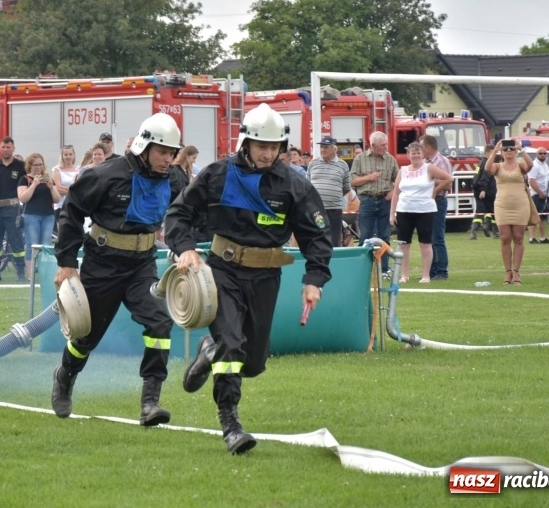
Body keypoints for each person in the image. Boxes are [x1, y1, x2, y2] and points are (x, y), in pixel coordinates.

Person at [164, 103, 333, 455]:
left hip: (266, 277)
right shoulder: (218, 174)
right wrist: (185, 248)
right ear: (246, 143)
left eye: (274, 147)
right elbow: (179, 213)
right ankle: (231, 422)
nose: (268, 152)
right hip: (222, 273)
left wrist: (314, 278)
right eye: (261, 145)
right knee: (232, 343)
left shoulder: (293, 184)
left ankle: (208, 350)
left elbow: (317, 235)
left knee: (253, 363)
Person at [51, 113, 181, 427]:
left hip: (142, 267)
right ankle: (65, 378)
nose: (167, 159)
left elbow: (186, 213)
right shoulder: (106, 174)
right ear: (144, 146)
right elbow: (71, 211)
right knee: (86, 338)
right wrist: (67, 264)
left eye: (171, 153)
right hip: (102, 265)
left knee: (160, 324)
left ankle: (150, 402)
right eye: (162, 152)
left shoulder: (176, 179)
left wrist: (185, 248)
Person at [389, 142, 453, 283]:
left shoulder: (428, 168)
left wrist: (435, 190)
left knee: (425, 243)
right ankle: (404, 275)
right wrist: (392, 213)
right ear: (408, 155)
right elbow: (396, 193)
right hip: (404, 210)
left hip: (425, 210)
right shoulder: (403, 170)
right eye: (413, 153)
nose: (416, 155)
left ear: (422, 154)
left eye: (418, 152)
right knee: (403, 244)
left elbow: (449, 177)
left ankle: (426, 275)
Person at [484, 139, 533, 285]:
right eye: (506, 149)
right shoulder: (498, 166)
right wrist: (495, 150)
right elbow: (487, 168)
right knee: (505, 238)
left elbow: (530, 165)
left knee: (518, 237)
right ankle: (507, 272)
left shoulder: (520, 165)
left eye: (512, 149)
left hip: (520, 205)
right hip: (502, 206)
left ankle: (516, 272)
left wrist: (521, 149)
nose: (509, 152)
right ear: (502, 152)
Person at [350, 131, 398, 278]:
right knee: (365, 236)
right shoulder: (360, 159)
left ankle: (384, 269)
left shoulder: (390, 159)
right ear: (373, 145)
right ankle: (362, 269)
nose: (386, 147)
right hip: (367, 200)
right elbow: (352, 181)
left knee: (385, 235)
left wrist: (393, 192)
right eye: (383, 145)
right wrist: (369, 177)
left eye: (386, 144)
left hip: (385, 201)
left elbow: (399, 180)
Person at [0, 137, 27, 281]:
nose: (6, 149)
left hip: (13, 207)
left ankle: (20, 273)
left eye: (8, 147)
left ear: (13, 148)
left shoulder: (21, 166)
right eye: (3, 147)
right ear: (0, 148)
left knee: (16, 240)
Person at [17, 153, 60, 278]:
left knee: (45, 245)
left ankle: (44, 274)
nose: (38, 167)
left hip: (47, 216)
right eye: (35, 165)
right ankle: (30, 276)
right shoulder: (24, 179)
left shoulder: (48, 179)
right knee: (32, 245)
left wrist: (52, 188)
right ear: (30, 166)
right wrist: (34, 185)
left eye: (40, 164)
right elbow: (23, 198)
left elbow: (57, 199)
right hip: (31, 215)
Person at [307, 135, 351, 247]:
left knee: (333, 239)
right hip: (316, 208)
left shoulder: (342, 165)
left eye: (326, 147)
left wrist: (333, 196)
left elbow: (346, 187)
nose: (322, 150)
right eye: (321, 147)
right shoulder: (313, 163)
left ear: (334, 149)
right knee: (316, 237)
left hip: (334, 208)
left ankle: (332, 263)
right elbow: (306, 186)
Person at [420, 135, 452, 280]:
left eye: (421, 147)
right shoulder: (424, 163)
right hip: (426, 203)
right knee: (428, 237)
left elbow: (448, 182)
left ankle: (441, 271)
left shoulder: (442, 161)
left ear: (428, 147)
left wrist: (433, 187)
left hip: (438, 201)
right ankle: (432, 270)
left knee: (437, 237)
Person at [470, 145, 498, 240]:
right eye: (492, 152)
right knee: (490, 212)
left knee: (484, 211)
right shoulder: (486, 164)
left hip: (481, 191)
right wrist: (483, 190)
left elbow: (476, 178)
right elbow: (484, 178)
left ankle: (479, 230)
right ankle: (493, 231)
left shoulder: (481, 162)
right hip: (486, 191)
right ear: (487, 152)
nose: (494, 154)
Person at [527, 147, 549, 244]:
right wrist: (540, 192)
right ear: (537, 154)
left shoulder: (545, 165)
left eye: (544, 153)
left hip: (544, 194)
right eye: (540, 153)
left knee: (541, 217)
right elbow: (531, 181)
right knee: (533, 216)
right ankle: (532, 238)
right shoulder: (534, 165)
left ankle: (542, 237)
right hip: (536, 194)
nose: (542, 155)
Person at [52, 145, 78, 231]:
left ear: (74, 155)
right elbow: (58, 189)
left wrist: (66, 189)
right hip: (60, 205)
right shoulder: (57, 170)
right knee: (62, 232)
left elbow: (80, 189)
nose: (68, 157)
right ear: (62, 156)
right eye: (66, 154)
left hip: (74, 205)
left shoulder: (78, 170)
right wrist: (72, 190)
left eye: (70, 154)